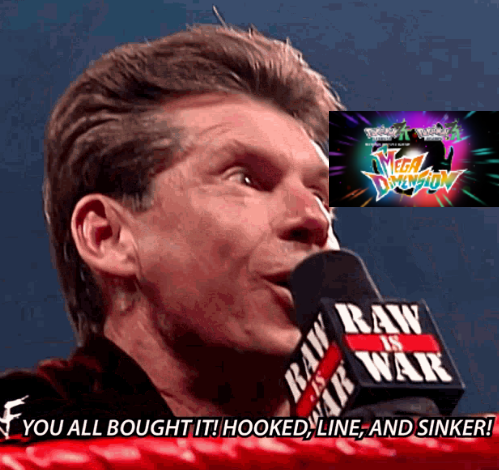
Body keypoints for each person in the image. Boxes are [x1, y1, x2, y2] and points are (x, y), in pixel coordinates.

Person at [0, 23, 343, 439]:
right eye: (247, 179)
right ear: (107, 237)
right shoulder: (24, 436)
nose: (314, 218)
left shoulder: (386, 435)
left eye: (322, 196)